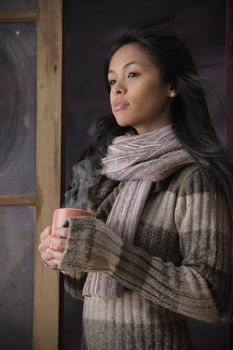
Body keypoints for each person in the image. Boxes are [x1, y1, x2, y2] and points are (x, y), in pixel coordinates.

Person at [38, 20, 233, 350]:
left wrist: (114, 255)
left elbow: (212, 298)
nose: (117, 89)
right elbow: (88, 282)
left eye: (132, 74)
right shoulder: (108, 171)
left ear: (171, 84)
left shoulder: (193, 178)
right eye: (112, 80)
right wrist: (66, 256)